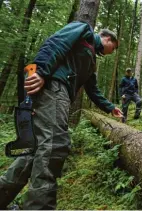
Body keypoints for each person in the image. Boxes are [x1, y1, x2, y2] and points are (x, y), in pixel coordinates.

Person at [0, 21, 123, 210]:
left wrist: (110, 107)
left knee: (37, 149)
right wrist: (41, 70)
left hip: (60, 93)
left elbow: (93, 90)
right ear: (107, 39)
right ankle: (39, 207)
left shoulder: (90, 61)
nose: (111, 52)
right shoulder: (84, 30)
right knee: (54, 144)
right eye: (113, 48)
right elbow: (56, 42)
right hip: (53, 87)